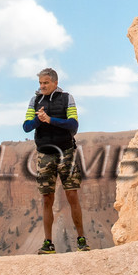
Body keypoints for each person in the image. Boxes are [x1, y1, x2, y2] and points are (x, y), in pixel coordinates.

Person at [24, 67, 87, 253]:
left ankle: (82, 240)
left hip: (66, 152)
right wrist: (39, 119)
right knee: (47, 199)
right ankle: (48, 243)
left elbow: (73, 124)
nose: (42, 86)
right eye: (40, 83)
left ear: (55, 83)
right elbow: (26, 127)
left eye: (46, 83)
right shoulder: (35, 101)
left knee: (72, 195)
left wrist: (50, 120)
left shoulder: (67, 98)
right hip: (44, 154)